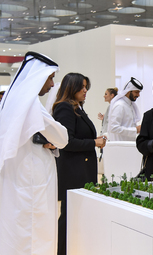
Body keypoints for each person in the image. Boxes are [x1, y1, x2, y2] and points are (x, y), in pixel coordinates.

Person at [0, 52, 68, 255]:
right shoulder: (30, 106)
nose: (52, 84)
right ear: (38, 77)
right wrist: (54, 141)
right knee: (35, 235)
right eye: (50, 78)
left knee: (16, 233)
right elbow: (62, 137)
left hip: (17, 180)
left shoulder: (12, 100)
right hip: (31, 182)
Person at [52, 73, 106, 255]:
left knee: (76, 217)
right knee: (69, 217)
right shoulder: (65, 108)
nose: (85, 91)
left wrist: (94, 140)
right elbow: (66, 143)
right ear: (71, 87)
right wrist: (94, 143)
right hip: (73, 172)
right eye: (82, 87)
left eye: (86, 87)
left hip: (81, 170)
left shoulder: (77, 108)